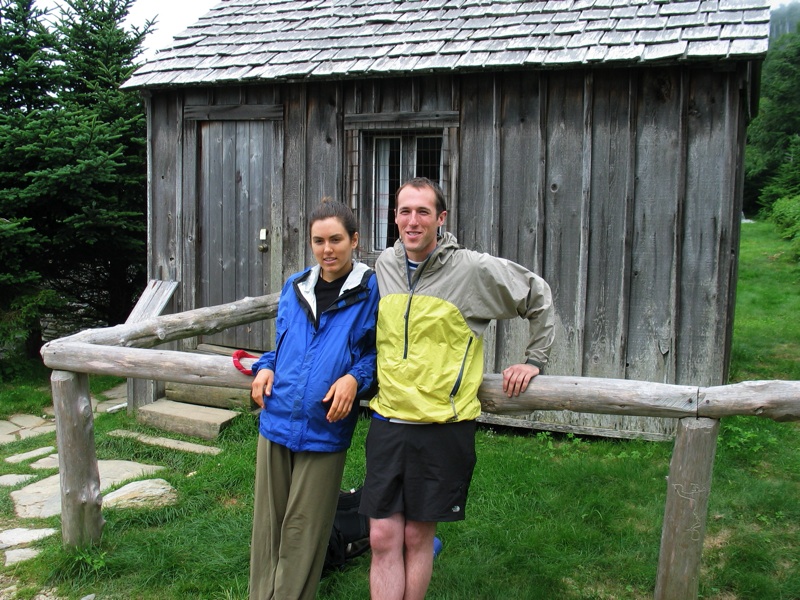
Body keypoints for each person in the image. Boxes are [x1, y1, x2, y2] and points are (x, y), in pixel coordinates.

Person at [359, 177, 555, 600]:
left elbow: (536, 295)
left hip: (442, 427)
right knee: (381, 536)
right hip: (388, 420)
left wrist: (534, 359)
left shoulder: (471, 269)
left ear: (440, 218)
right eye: (404, 211)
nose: (413, 221)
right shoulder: (385, 267)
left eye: (423, 212)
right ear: (394, 216)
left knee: (415, 537)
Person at [248, 198, 379, 600]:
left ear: (354, 240)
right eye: (318, 240)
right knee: (268, 528)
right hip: (276, 419)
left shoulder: (371, 289)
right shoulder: (295, 286)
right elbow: (282, 347)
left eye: (336, 239)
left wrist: (355, 380)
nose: (327, 250)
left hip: (325, 426)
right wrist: (264, 366)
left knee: (304, 531)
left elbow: (380, 354)